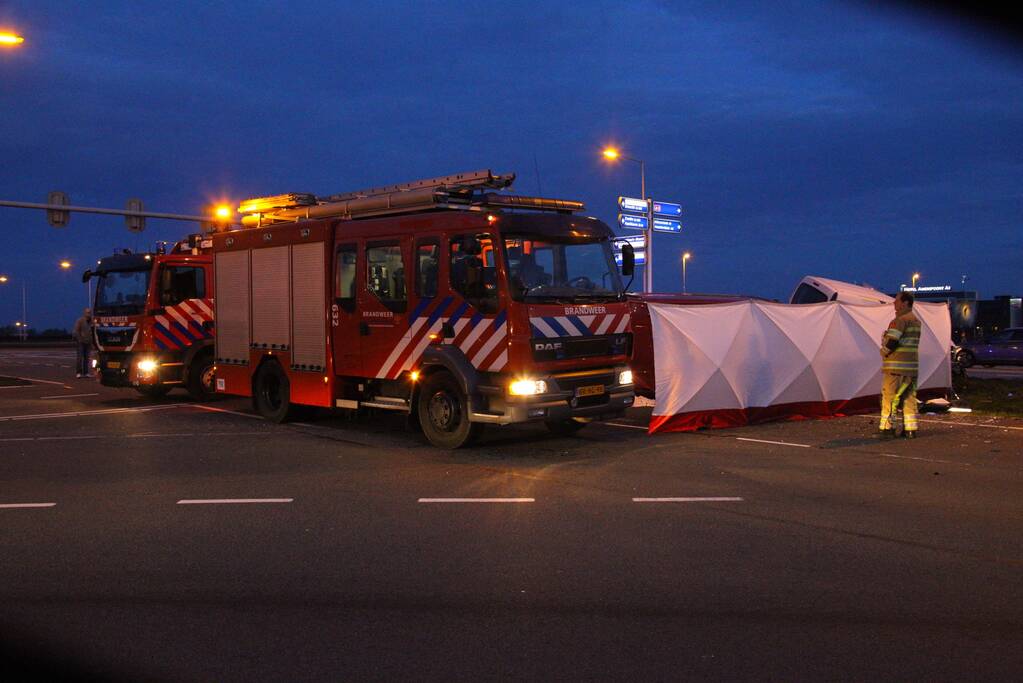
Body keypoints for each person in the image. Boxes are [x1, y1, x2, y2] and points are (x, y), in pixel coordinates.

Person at [879, 292, 921, 438]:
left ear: (905, 303)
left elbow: (893, 341)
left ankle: (887, 428)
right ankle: (910, 429)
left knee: (889, 398)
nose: (894, 304)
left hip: (895, 368)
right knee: (909, 398)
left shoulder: (899, 321)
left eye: (897, 301)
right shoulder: (916, 321)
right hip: (912, 368)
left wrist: (883, 351)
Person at [72, 307, 94, 378]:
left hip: (88, 342)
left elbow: (93, 332)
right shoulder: (80, 321)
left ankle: (86, 372)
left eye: (90, 312)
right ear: (84, 313)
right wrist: (79, 339)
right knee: (80, 358)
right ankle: (78, 372)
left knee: (87, 358)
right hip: (81, 342)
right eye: (87, 312)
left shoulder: (92, 322)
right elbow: (76, 330)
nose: (89, 314)